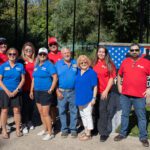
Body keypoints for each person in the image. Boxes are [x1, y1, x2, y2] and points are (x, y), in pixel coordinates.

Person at [114, 43, 150, 147]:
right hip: (125, 95)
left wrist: (149, 89)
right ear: (130, 51)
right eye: (132, 50)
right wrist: (119, 87)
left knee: (142, 117)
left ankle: (143, 137)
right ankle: (122, 133)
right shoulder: (125, 62)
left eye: (136, 50)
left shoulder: (146, 62)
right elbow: (119, 75)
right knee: (125, 115)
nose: (134, 52)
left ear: (139, 51)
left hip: (139, 96)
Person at [30, 47, 57, 141]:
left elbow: (55, 77)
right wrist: (31, 90)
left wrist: (51, 89)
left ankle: (50, 133)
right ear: (38, 55)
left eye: (44, 54)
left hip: (45, 92)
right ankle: (45, 129)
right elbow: (33, 79)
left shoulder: (49, 65)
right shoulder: (36, 65)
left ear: (46, 55)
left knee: (46, 113)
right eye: (40, 54)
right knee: (41, 112)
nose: (42, 56)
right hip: (37, 91)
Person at [0, 48, 25, 139]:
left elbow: (23, 79)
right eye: (10, 54)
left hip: (16, 92)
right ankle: (4, 130)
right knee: (4, 111)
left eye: (14, 54)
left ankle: (18, 129)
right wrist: (7, 91)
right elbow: (0, 80)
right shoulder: (3, 66)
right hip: (4, 91)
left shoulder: (20, 66)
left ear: (17, 55)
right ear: (7, 55)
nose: (12, 55)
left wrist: (16, 90)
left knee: (17, 111)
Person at [93, 45, 116, 142]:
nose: (101, 53)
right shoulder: (93, 63)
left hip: (104, 92)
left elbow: (111, 78)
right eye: (99, 52)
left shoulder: (109, 63)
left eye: (103, 52)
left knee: (102, 111)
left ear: (106, 54)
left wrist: (106, 91)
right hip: (94, 92)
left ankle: (103, 133)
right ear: (97, 53)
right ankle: (95, 129)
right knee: (95, 111)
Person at [55, 47, 78, 138]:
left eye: (68, 52)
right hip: (61, 92)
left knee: (74, 111)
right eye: (64, 53)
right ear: (61, 54)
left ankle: (73, 129)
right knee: (62, 111)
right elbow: (54, 79)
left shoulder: (75, 63)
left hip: (74, 92)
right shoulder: (57, 64)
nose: (67, 54)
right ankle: (64, 129)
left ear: (70, 53)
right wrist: (56, 91)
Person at [75, 55, 97, 141]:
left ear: (88, 63)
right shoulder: (78, 71)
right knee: (82, 115)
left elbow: (95, 86)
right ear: (79, 64)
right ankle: (86, 130)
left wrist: (94, 98)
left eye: (85, 62)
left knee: (88, 115)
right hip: (79, 98)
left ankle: (88, 134)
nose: (83, 64)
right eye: (81, 62)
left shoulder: (91, 72)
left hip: (88, 98)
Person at [20, 42, 36, 135]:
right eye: (26, 50)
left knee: (31, 106)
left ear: (33, 50)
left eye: (30, 50)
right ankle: (23, 124)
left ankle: (29, 121)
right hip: (24, 87)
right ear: (24, 51)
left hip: (33, 87)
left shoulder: (36, 60)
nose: (28, 51)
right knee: (24, 106)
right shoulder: (20, 60)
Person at [47, 37, 62, 131]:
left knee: (63, 104)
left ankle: (64, 122)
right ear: (48, 46)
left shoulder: (63, 54)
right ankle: (54, 121)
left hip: (62, 82)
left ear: (57, 45)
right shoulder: (46, 56)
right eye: (51, 45)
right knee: (52, 105)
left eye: (55, 44)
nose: (53, 46)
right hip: (51, 83)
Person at [0, 37, 8, 133]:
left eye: (4, 43)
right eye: (1, 44)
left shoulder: (8, 55)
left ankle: (2, 125)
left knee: (3, 107)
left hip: (3, 85)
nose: (3, 45)